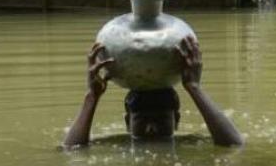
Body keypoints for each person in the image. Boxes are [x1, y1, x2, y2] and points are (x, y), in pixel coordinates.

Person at [62, 36, 243, 148]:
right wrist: (91, 98)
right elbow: (71, 150)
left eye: (161, 120)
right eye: (141, 120)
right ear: (127, 122)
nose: (151, 129)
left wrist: (194, 88)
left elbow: (235, 145)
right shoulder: (119, 143)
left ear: (176, 121)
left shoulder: (187, 143)